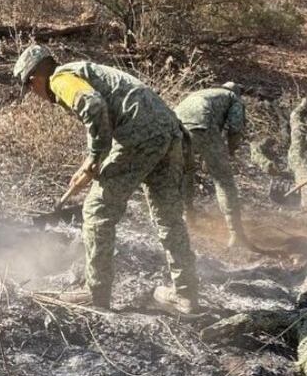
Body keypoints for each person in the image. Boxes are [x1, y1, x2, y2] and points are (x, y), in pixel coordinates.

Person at [13, 44, 200, 313]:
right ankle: (185, 295)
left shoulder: (59, 79)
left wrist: (95, 156)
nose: (35, 94)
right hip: (170, 132)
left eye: (30, 88)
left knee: (97, 210)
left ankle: (96, 292)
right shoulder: (84, 71)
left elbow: (93, 104)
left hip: (140, 134)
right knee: (168, 217)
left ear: (35, 79)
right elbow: (111, 113)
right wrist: (92, 163)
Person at [175, 82, 248, 248]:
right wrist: (229, 150)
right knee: (224, 181)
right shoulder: (233, 98)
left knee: (186, 174)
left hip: (176, 130)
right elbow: (235, 127)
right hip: (204, 129)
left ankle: (188, 219)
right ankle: (236, 234)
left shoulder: (200, 93)